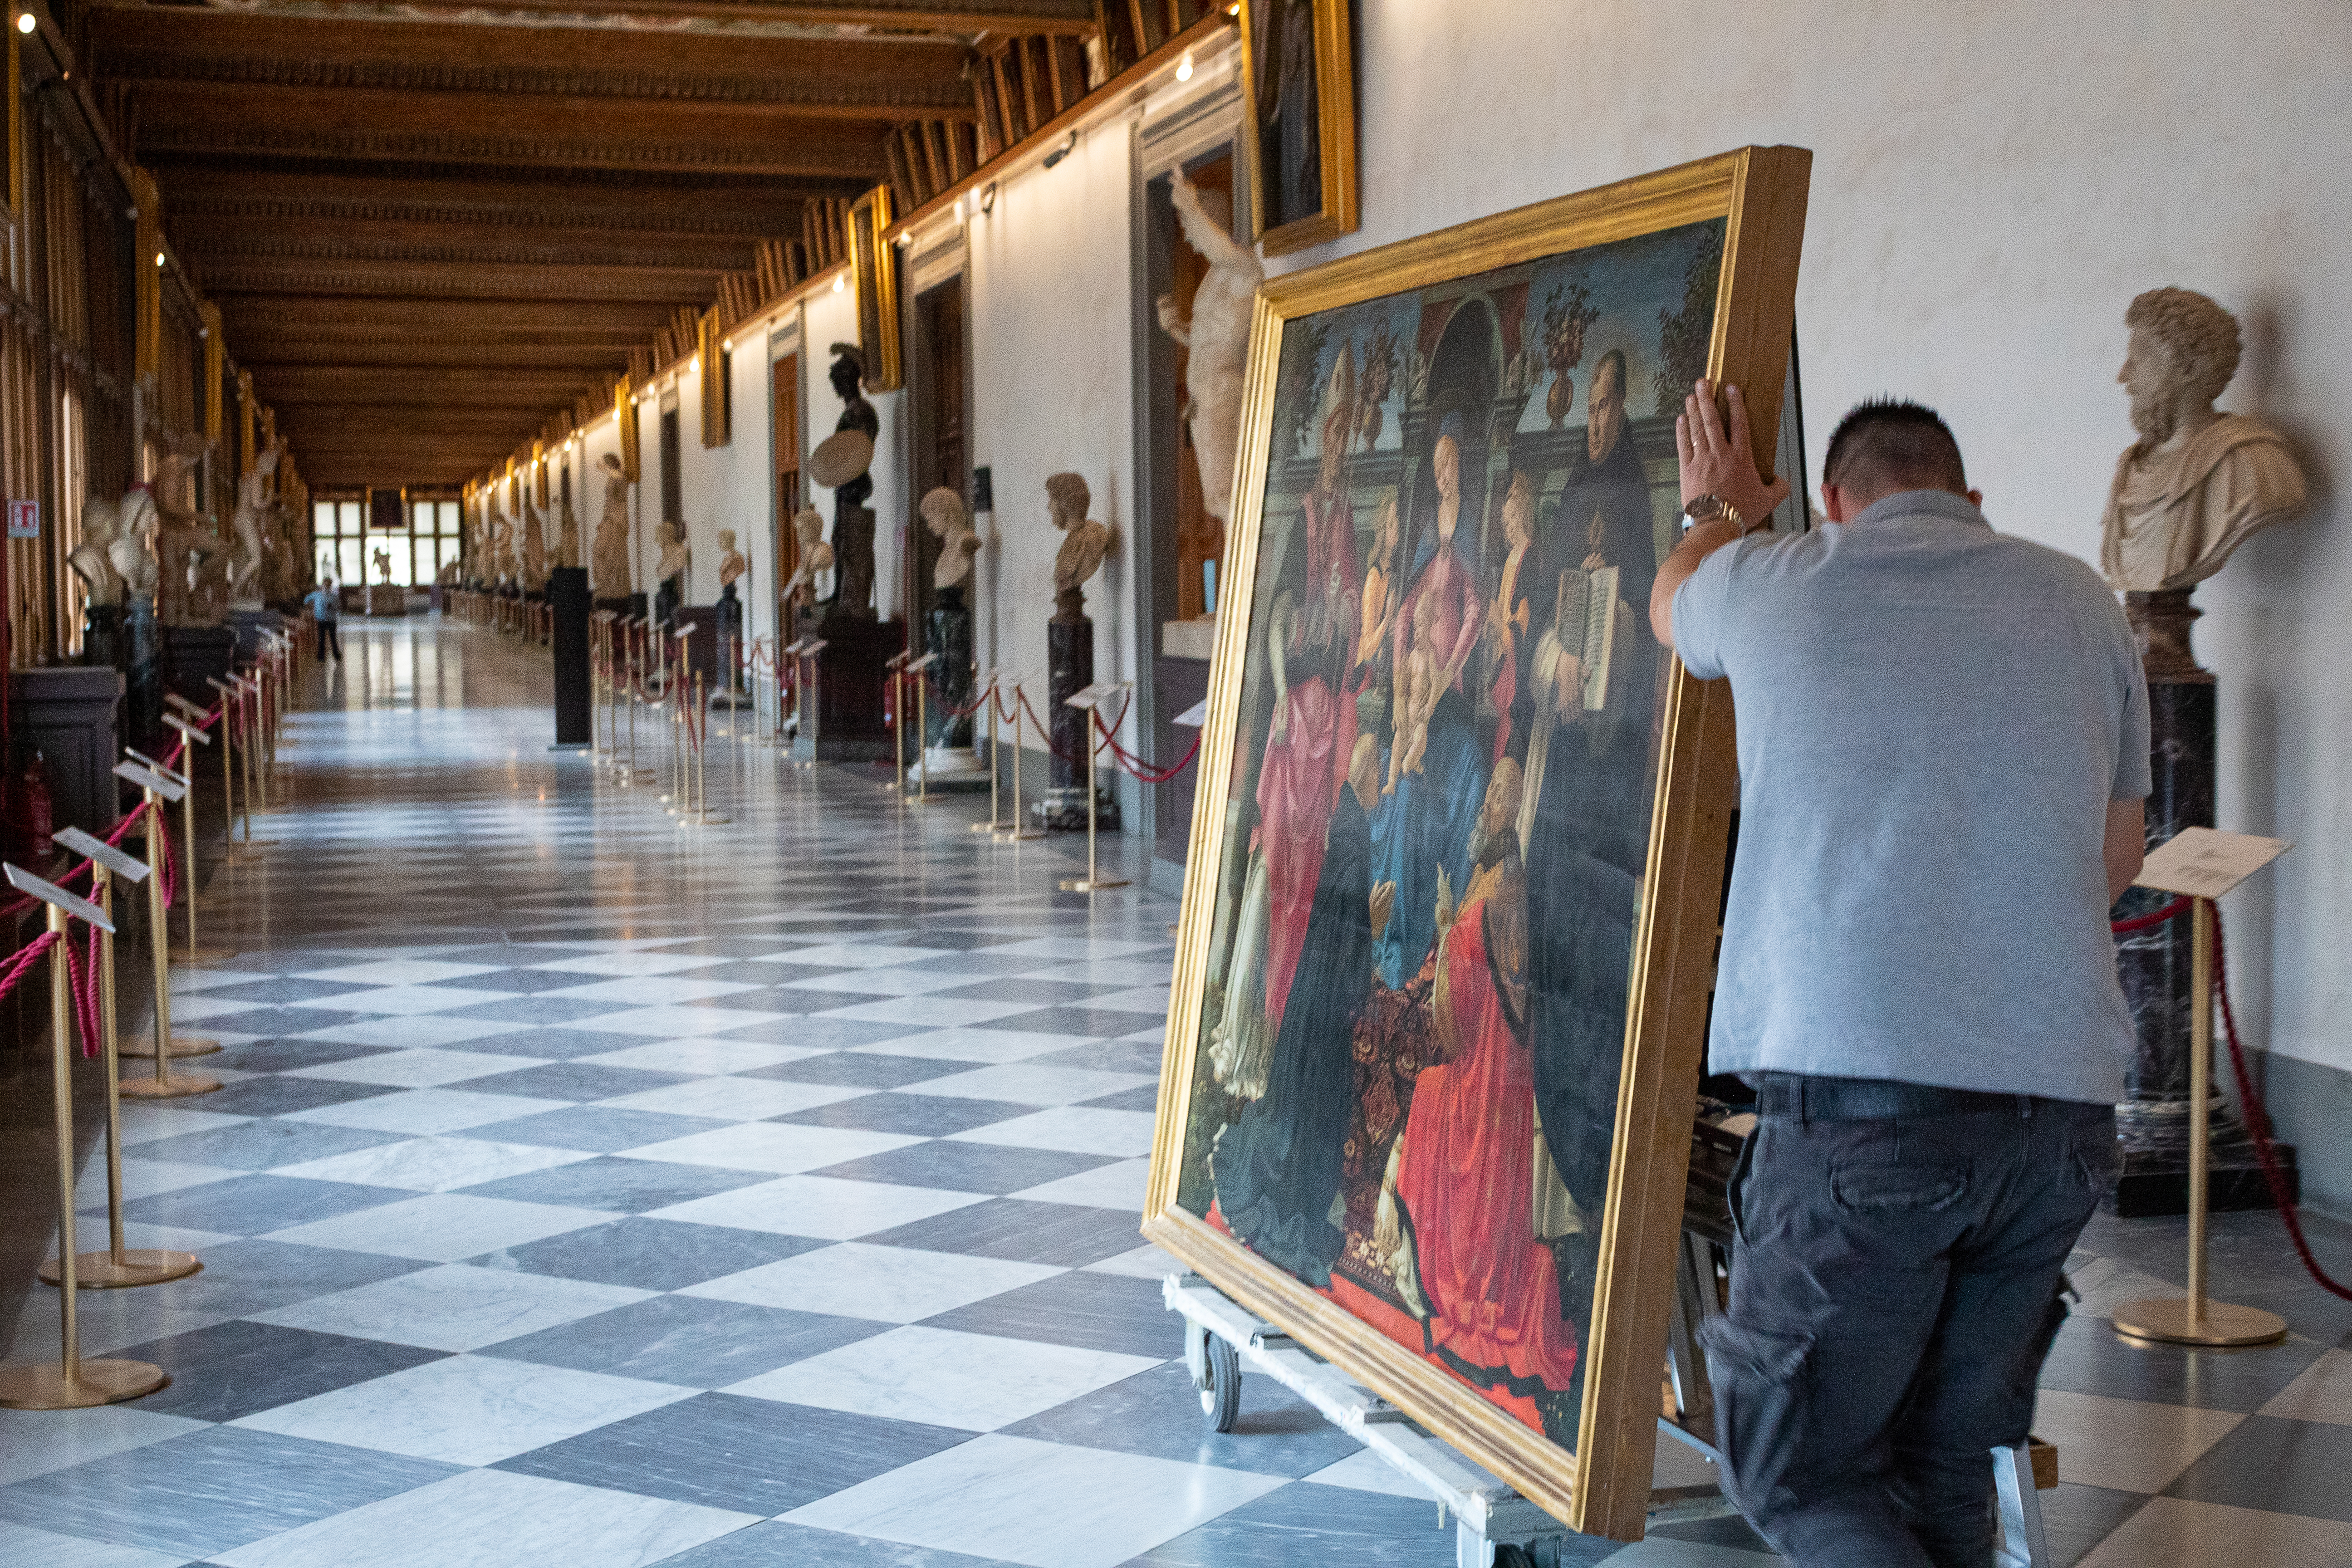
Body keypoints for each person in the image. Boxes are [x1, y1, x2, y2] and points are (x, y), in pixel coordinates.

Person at [1651, 382, 2148, 1568]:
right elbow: (2116, 858)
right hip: (2058, 1117)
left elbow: (1675, 604)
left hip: (1865, 1120)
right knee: (1945, 1462)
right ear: (1972, 500)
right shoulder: (2081, 599)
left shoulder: (1780, 582)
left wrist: (1720, 507)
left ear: (1832, 504)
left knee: (1801, 1473)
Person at [304, 579, 342, 663]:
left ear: (330, 586)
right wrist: (311, 607)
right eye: (325, 585)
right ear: (323, 585)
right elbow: (306, 600)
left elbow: (339, 607)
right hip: (321, 620)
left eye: (328, 585)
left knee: (333, 639)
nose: (327, 587)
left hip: (331, 620)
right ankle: (321, 656)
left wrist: (333, 607)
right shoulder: (317, 595)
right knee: (322, 639)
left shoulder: (334, 596)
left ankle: (336, 655)